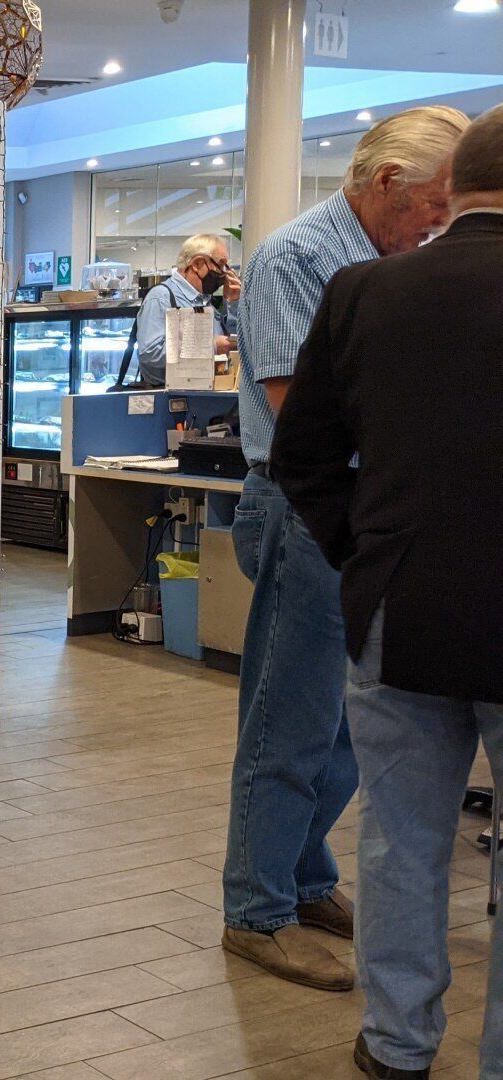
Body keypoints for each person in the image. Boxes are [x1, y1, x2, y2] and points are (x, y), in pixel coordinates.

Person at [272, 104, 503, 1080]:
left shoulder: (366, 292)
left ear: (452, 189)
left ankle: (398, 1045)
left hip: (399, 610)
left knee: (402, 843)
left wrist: (367, 551)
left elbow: (303, 456)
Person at [221, 104, 470, 991]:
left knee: (351, 727)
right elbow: (304, 418)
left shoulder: (387, 264)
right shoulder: (297, 257)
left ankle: (304, 875)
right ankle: (255, 910)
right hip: (306, 508)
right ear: (386, 184)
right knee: (288, 720)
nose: (439, 225)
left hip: (372, 513)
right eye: (433, 206)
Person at [122, 233, 241, 388]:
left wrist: (233, 304)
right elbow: (150, 355)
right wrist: (209, 347)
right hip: (170, 402)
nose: (225, 272)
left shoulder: (205, 302)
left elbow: (232, 344)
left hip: (208, 399)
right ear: (197, 264)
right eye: (221, 264)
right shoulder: (161, 297)